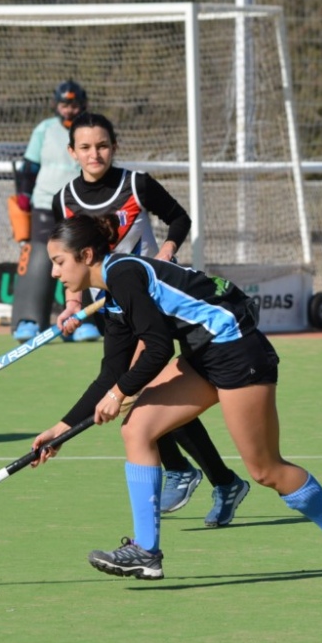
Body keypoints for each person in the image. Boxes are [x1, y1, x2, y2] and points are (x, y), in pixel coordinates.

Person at [29, 213, 322, 585]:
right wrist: (60, 430)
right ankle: (146, 553)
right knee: (138, 430)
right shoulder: (110, 298)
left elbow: (157, 348)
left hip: (237, 352)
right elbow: (111, 372)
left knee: (265, 469)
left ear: (86, 255)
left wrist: (119, 393)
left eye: (59, 262)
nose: (54, 273)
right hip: (202, 356)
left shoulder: (125, 274)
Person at [52, 111, 250, 527]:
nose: (95, 154)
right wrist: (72, 303)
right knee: (146, 392)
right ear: (72, 152)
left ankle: (188, 473)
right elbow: (70, 255)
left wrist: (166, 251)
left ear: (114, 146)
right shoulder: (65, 198)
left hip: (152, 298)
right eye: (85, 147)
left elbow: (179, 217)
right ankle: (217, 478)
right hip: (110, 303)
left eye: (102, 145)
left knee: (145, 392)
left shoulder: (135, 184)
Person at [8, 79, 99, 343]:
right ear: (56, 105)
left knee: (84, 259)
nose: (68, 110)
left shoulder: (92, 129)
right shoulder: (44, 130)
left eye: (73, 105)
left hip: (81, 206)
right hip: (45, 204)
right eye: (64, 104)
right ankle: (29, 319)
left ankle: (82, 320)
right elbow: (29, 168)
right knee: (39, 258)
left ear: (82, 105)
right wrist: (24, 197)